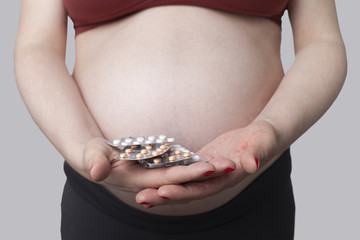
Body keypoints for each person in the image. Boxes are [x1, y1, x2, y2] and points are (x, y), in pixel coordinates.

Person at [14, 0, 347, 239]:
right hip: (101, 201)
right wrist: (80, 146)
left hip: (251, 195)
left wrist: (272, 128)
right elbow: (37, 46)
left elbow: (321, 42)